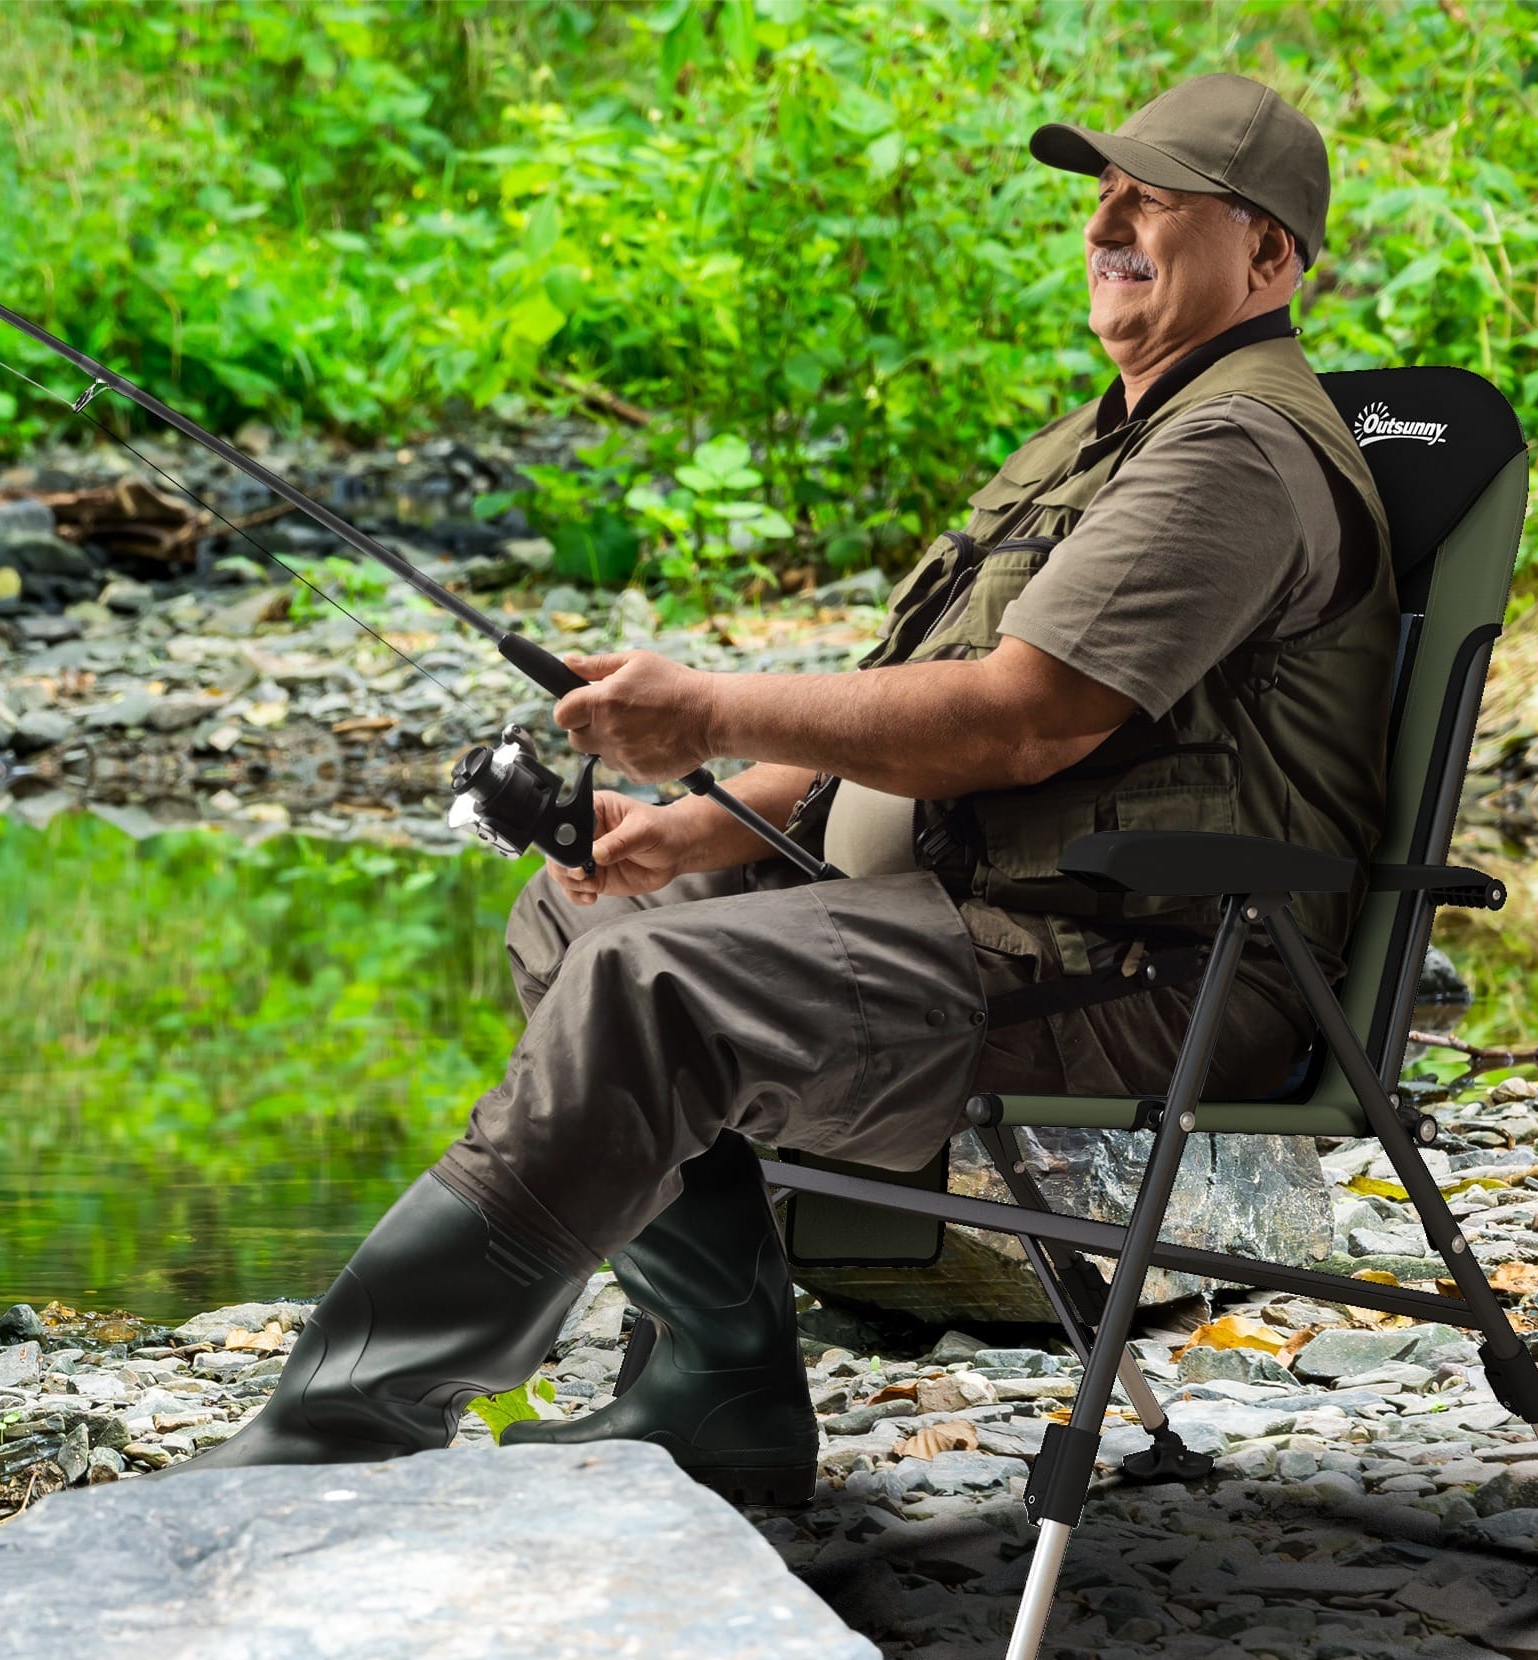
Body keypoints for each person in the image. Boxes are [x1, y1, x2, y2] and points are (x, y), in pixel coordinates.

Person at [183, 72, 1398, 1492]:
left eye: (1163, 199)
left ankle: (335, 1433)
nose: (1113, 219)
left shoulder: (1237, 449)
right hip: (1003, 914)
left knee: (661, 995)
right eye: (1105, 190)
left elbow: (1017, 724)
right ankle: (718, 1393)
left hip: (1157, 967)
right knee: (582, 917)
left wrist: (701, 705)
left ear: (1270, 257)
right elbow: (903, 702)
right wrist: (698, 823)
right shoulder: (1106, 436)